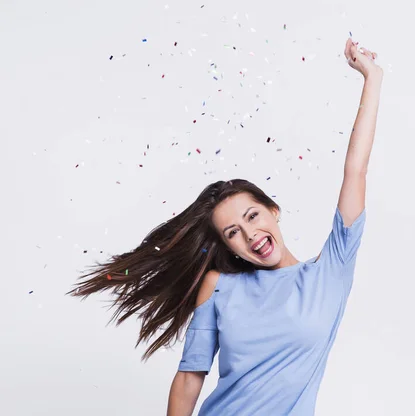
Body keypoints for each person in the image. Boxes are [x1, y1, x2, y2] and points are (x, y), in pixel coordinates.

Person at [66, 38, 382, 415]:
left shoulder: (329, 271)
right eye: (233, 232)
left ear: (273, 210)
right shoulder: (220, 286)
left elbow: (355, 169)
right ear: (228, 246)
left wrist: (372, 78)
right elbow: (189, 378)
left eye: (252, 216)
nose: (250, 235)